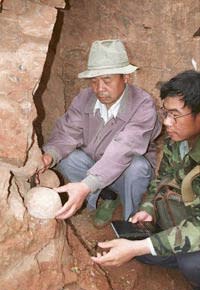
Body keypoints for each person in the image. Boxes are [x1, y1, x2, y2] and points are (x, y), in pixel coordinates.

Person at [91, 70, 200, 290]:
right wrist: (149, 208)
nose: (167, 122)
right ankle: (171, 249)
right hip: (180, 221)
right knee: (135, 229)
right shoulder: (177, 141)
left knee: (191, 263)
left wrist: (142, 247)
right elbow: (161, 179)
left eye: (175, 115)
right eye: (165, 112)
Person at [41, 39, 161, 227]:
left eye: (107, 80)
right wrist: (49, 156)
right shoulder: (84, 98)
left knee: (137, 167)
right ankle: (108, 197)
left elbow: (124, 148)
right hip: (95, 168)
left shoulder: (143, 105)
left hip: (126, 173)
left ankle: (132, 220)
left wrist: (86, 185)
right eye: (94, 81)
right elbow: (68, 132)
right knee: (67, 158)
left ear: (125, 78)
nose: (99, 89)